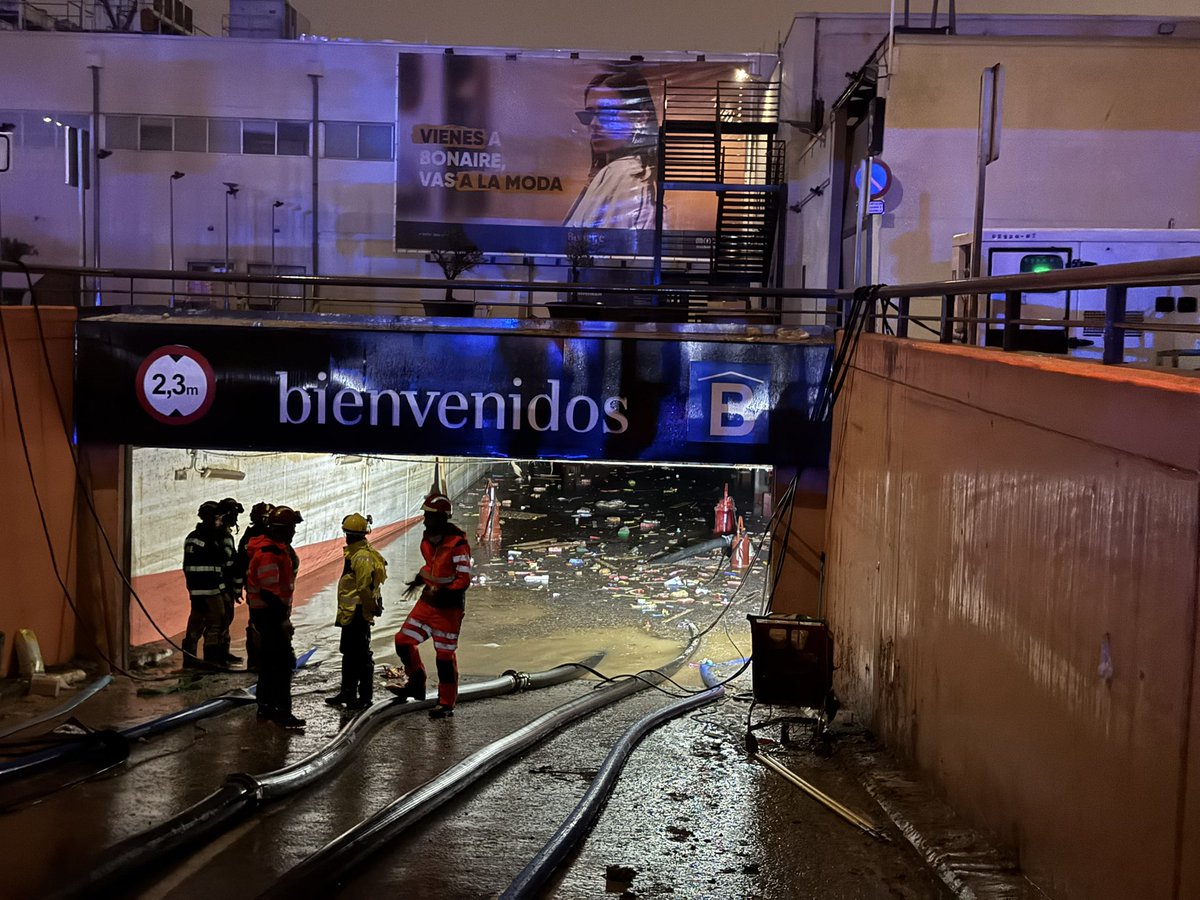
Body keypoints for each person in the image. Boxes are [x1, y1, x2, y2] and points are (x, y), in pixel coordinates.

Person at [390, 491, 472, 718]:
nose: (426, 521)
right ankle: (416, 684)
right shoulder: (428, 540)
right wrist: (419, 581)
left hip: (448, 609)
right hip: (428, 602)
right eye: (426, 516)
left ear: (443, 518)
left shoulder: (457, 545)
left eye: (431, 517)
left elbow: (463, 579)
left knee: (444, 657)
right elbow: (432, 567)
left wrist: (443, 592)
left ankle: (446, 703)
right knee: (403, 640)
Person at [563, 67, 661, 232]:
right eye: (588, 115)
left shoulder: (622, 173)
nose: (594, 123)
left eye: (607, 114)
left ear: (640, 117)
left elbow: (603, 248)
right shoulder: (641, 174)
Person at [245, 505, 306, 729]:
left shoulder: (273, 549)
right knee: (281, 665)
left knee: (269, 664)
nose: (294, 532)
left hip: (266, 616)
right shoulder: (269, 553)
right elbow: (269, 592)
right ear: (283, 529)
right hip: (270, 617)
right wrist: (283, 620)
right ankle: (281, 713)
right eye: (292, 528)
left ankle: (266, 707)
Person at [325, 513, 387, 711]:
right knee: (349, 653)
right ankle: (347, 692)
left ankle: (365, 697)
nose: (346, 537)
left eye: (347, 534)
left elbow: (365, 589)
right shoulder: (356, 553)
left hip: (358, 614)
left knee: (361, 655)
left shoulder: (361, 557)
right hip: (351, 612)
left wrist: (371, 608)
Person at [182, 500, 229, 667]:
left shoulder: (191, 537)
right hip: (211, 589)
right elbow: (221, 562)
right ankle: (212, 662)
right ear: (211, 518)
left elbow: (187, 566)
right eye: (218, 518)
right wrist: (223, 589)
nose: (220, 522)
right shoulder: (212, 539)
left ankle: (189, 663)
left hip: (195, 590)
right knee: (216, 623)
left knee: (195, 624)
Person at [237, 501, 274, 670]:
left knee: (255, 625)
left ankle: (254, 661)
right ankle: (264, 660)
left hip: (255, 590)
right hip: (268, 593)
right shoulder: (271, 539)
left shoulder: (248, 537)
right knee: (267, 626)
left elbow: (240, 563)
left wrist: (238, 587)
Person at [216, 497, 245, 666]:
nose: (236, 519)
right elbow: (226, 565)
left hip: (223, 587)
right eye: (234, 514)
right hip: (221, 588)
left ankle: (223, 654)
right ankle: (218, 658)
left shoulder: (223, 535)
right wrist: (228, 589)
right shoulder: (221, 537)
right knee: (220, 621)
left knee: (224, 620)